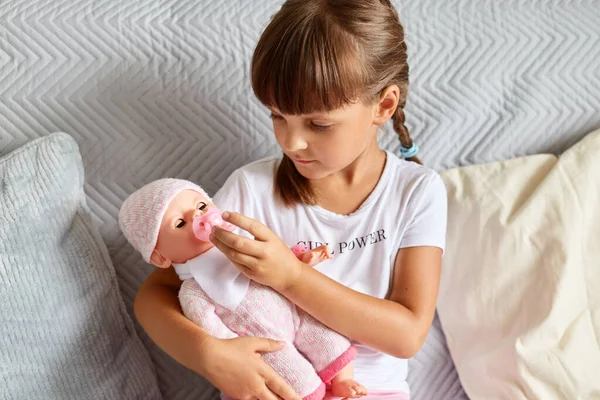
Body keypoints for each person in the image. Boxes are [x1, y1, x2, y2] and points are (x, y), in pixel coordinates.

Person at [133, 1, 447, 399]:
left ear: (383, 106)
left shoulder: (417, 192)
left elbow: (407, 336)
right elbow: (154, 295)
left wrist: (291, 277)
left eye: (318, 123)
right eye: (277, 116)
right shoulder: (250, 189)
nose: (291, 142)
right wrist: (209, 355)